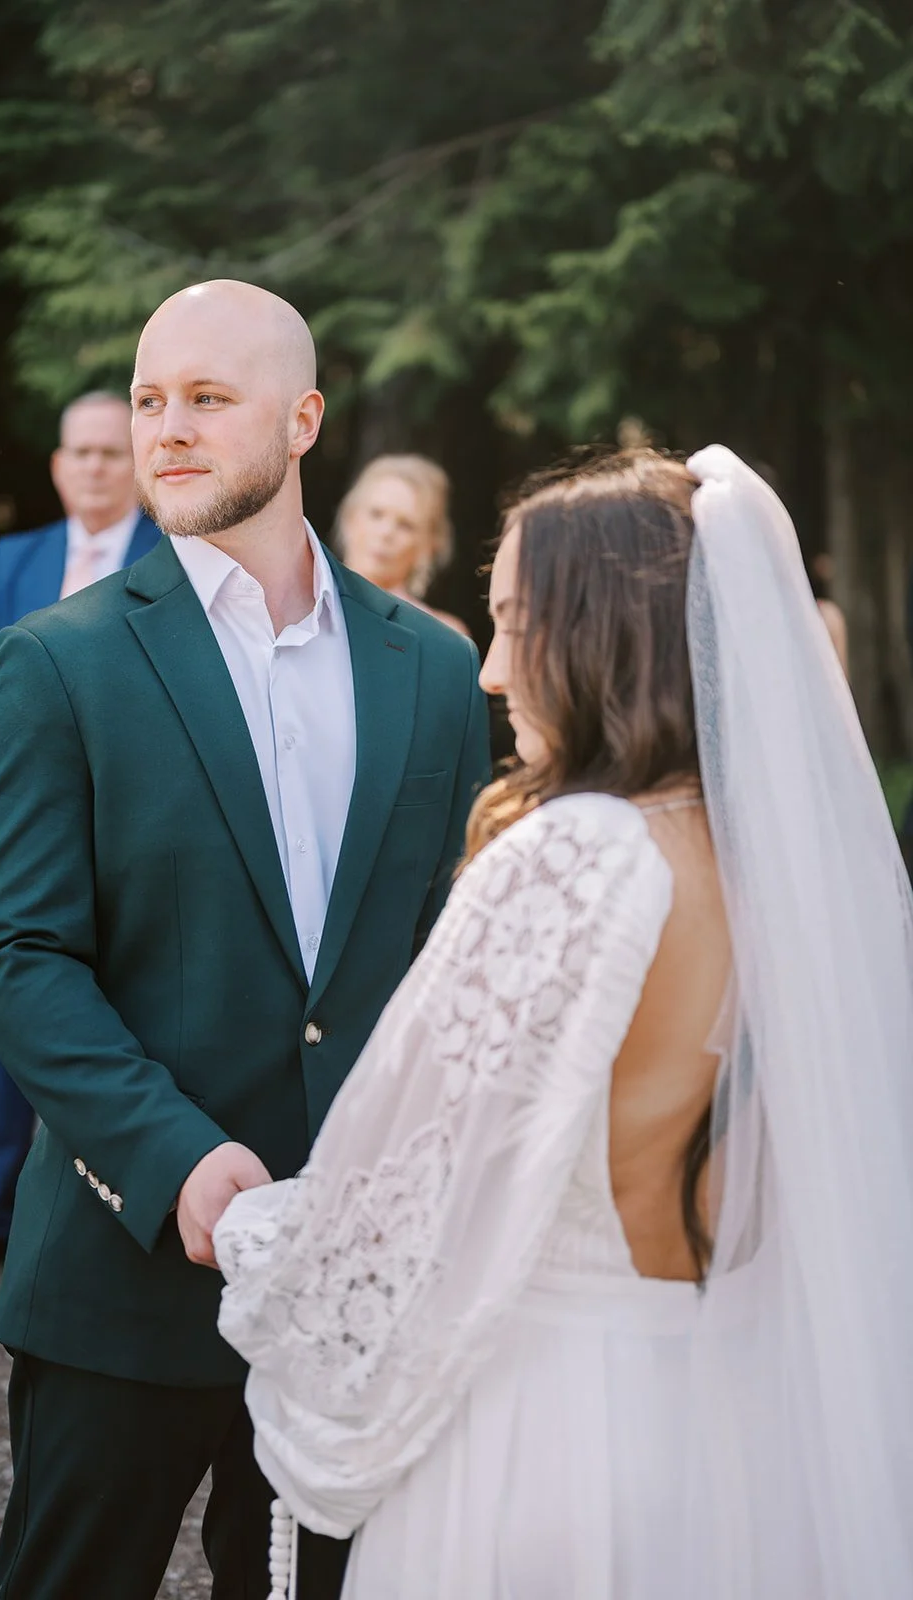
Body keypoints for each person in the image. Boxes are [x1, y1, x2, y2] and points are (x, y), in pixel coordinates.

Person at [216, 447, 913, 1598]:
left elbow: (403, 1196)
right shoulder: (779, 869)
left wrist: (245, 1224)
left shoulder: (578, 856)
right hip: (705, 1408)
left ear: (606, 636)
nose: (492, 673)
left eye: (517, 626)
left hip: (536, 1428)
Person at [0, 279, 490, 1600]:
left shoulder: (431, 669)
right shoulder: (59, 660)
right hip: (124, 1276)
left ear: (303, 421)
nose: (167, 428)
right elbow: (16, 953)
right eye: (150, 400)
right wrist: (172, 1156)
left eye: (207, 397)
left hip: (352, 1300)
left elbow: (447, 952)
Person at [0, 392, 159, 1299]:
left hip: (132, 829)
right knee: (12, 1014)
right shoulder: (13, 560)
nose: (94, 466)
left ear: (135, 465)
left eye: (110, 452)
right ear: (57, 466)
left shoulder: (172, 556)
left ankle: (105, 1225)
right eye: (79, 452)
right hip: (26, 831)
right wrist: (31, 775)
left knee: (127, 1018)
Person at [334, 455, 471, 636]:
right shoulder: (304, 604)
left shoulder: (445, 635)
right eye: (376, 514)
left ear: (429, 545)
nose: (386, 533)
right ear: (350, 518)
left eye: (405, 525)